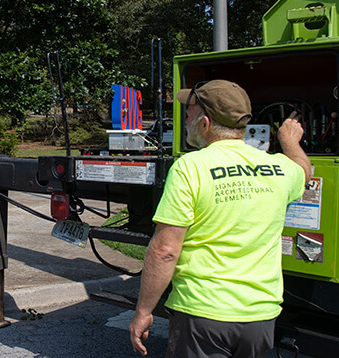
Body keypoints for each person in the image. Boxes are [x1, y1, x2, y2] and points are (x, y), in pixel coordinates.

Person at [129, 80, 311, 357]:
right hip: (261, 316)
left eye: (188, 114)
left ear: (204, 123)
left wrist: (143, 311)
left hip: (202, 313)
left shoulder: (190, 167)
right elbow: (304, 170)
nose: (185, 119)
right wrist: (289, 142)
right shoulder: (280, 167)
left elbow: (165, 251)